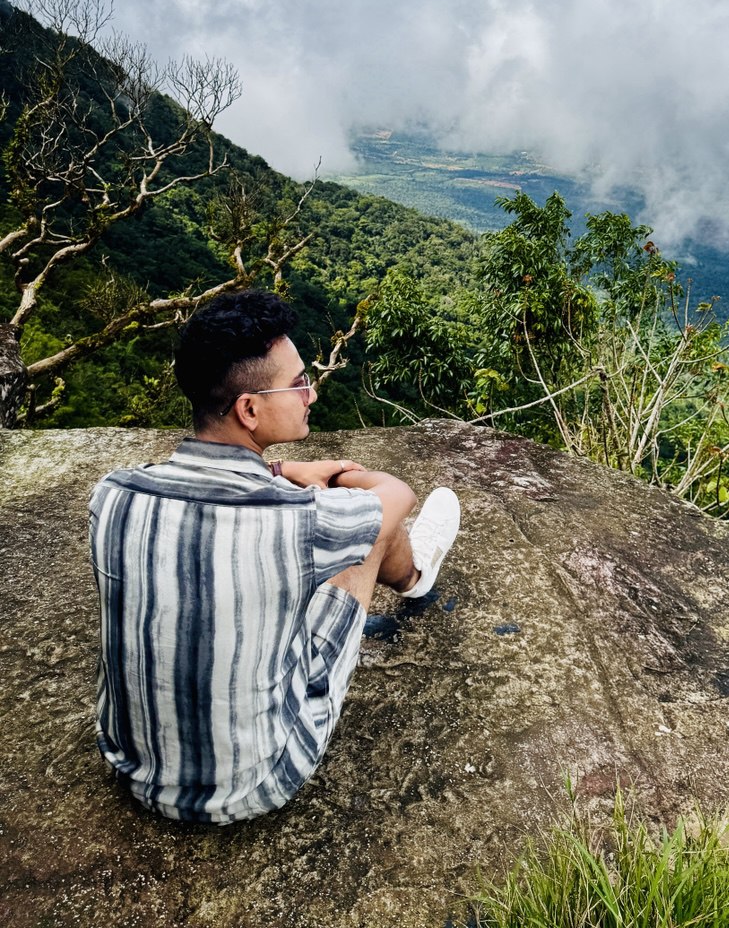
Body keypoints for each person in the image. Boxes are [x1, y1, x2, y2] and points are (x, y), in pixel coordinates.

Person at [88, 289, 460, 824]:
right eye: (298, 383)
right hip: (254, 783)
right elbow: (394, 496)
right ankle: (417, 576)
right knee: (368, 531)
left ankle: (416, 575)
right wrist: (334, 476)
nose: (310, 393)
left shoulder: (112, 493)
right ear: (249, 409)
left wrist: (281, 469)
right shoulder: (295, 519)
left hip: (129, 764)